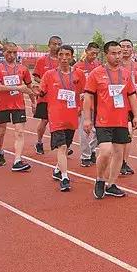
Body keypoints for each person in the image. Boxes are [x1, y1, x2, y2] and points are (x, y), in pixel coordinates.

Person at [83, 41, 137, 199]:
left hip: (121, 120)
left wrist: (136, 115)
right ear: (106, 55)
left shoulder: (126, 73)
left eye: (119, 53)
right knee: (106, 151)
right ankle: (100, 179)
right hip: (103, 121)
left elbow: (132, 95)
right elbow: (88, 96)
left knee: (119, 154)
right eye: (113, 53)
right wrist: (87, 118)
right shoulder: (96, 73)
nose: (117, 56)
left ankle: (111, 184)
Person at [40, 45, 85, 191]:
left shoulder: (79, 74)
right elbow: (41, 91)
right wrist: (34, 91)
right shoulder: (49, 75)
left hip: (72, 116)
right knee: (62, 146)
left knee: (66, 146)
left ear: (72, 57)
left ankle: (58, 169)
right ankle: (65, 177)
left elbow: (83, 93)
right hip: (56, 116)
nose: (64, 58)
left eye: (67, 55)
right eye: (61, 55)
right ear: (57, 56)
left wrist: (81, 107)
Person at [0, 42, 36, 171]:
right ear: (3, 53)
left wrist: (33, 102)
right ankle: (0, 151)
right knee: (1, 131)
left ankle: (17, 160)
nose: (12, 55)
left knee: (20, 132)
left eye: (14, 52)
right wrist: (17, 87)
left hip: (18, 105)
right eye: (9, 52)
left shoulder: (23, 69)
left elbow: (28, 87)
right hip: (2, 104)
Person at [118, 38, 137, 176]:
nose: (125, 49)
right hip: (116, 106)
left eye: (128, 46)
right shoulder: (113, 65)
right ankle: (117, 161)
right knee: (119, 136)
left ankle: (123, 162)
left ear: (132, 49)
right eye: (122, 46)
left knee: (129, 134)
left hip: (132, 105)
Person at [32, 35, 61, 155]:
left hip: (59, 97)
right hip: (45, 96)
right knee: (44, 120)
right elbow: (36, 77)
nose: (57, 46)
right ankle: (39, 142)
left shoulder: (64, 60)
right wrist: (46, 84)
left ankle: (61, 145)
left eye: (59, 44)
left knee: (60, 121)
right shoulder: (42, 60)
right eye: (54, 44)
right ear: (49, 45)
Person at [75, 42, 101, 167]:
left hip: (97, 104)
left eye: (96, 54)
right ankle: (85, 156)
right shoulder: (78, 67)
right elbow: (74, 87)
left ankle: (91, 149)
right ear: (86, 51)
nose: (94, 56)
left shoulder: (98, 66)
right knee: (84, 131)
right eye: (92, 53)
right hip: (83, 103)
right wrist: (78, 105)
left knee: (98, 131)